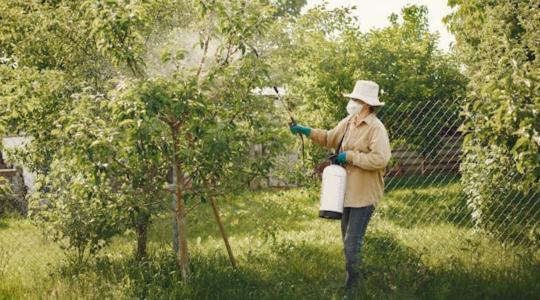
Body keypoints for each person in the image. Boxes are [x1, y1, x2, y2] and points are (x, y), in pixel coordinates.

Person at [290, 80, 392, 291]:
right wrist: (305, 130)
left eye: (356, 99)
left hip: (363, 195)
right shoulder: (349, 122)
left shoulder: (376, 128)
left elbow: (381, 159)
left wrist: (351, 156)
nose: (352, 102)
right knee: (347, 242)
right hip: (345, 193)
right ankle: (354, 281)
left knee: (352, 244)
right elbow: (328, 137)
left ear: (366, 104)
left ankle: (354, 288)